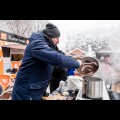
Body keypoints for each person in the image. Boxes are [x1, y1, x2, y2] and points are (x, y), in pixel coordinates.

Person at [12, 23, 83, 100]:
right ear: (50, 37)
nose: (58, 41)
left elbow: (60, 54)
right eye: (57, 38)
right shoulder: (37, 45)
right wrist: (77, 63)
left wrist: (73, 59)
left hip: (35, 89)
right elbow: (57, 58)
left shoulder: (48, 46)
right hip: (26, 91)